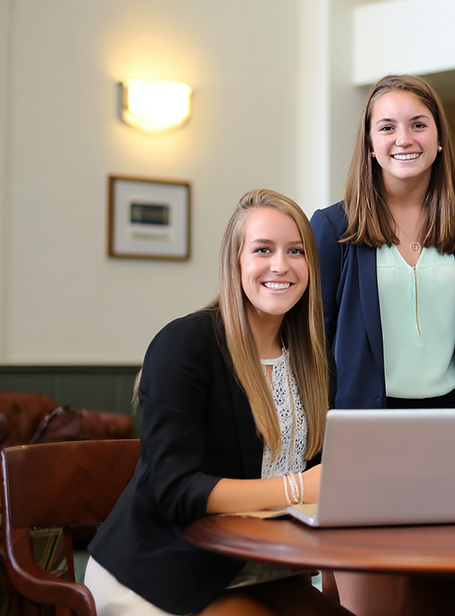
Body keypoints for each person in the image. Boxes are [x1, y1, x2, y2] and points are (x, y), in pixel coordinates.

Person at [85, 190, 351, 616]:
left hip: (262, 567)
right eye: (263, 249)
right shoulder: (186, 344)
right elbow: (175, 491)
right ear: (236, 261)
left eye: (296, 250)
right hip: (163, 566)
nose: (280, 265)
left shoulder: (315, 363)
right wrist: (297, 488)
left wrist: (329, 578)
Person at [311, 74, 455, 410]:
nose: (404, 139)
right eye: (387, 128)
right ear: (370, 144)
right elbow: (313, 344)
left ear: (439, 137)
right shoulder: (332, 228)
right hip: (362, 421)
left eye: (418, 125)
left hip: (453, 418)